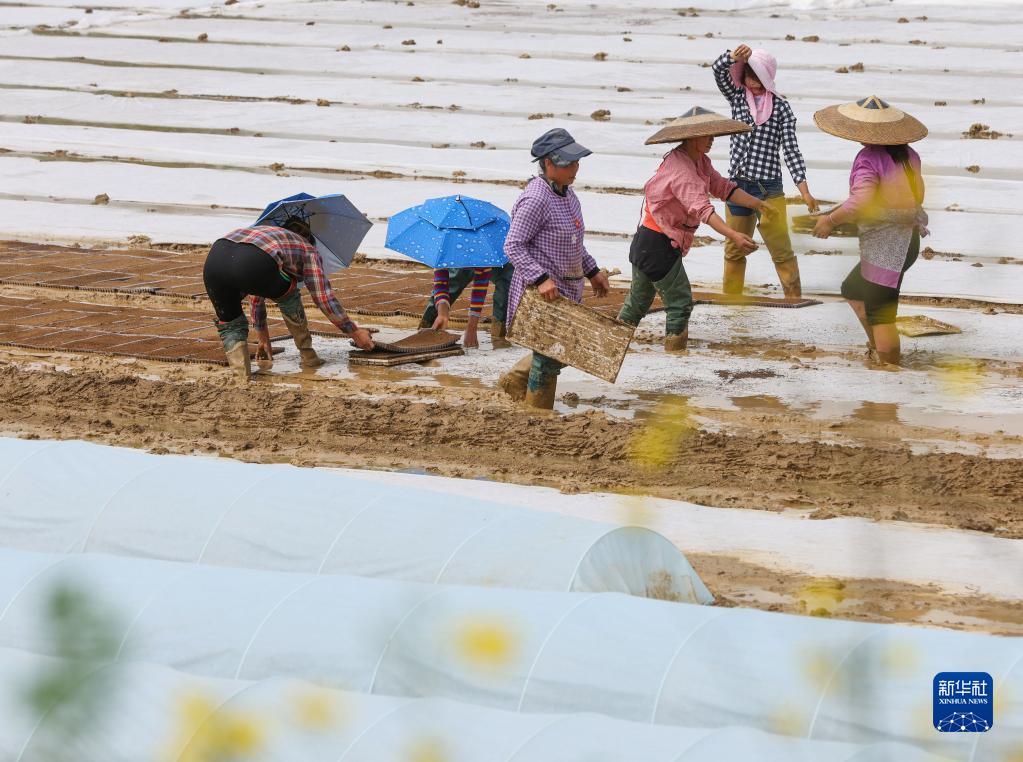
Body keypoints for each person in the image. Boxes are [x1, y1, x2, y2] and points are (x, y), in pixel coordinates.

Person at [619, 107, 775, 351]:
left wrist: (758, 204)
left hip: (649, 241)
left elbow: (723, 187)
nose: (711, 140)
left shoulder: (699, 161)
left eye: (713, 136)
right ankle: (675, 354)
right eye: (707, 136)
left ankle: (614, 343)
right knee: (680, 302)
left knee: (638, 302)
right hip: (657, 243)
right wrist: (733, 235)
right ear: (692, 137)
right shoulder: (682, 170)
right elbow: (704, 210)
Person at [498, 128, 610, 409]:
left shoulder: (568, 195)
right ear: (549, 164)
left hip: (567, 289)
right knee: (551, 352)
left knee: (562, 347)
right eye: (569, 163)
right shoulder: (535, 199)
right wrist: (541, 279)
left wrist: (593, 271)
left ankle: (515, 379)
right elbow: (513, 245)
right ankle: (538, 410)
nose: (576, 168)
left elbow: (574, 242)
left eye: (576, 161)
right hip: (542, 293)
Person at [812, 96, 928, 367]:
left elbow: (862, 201)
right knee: (853, 288)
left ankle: (890, 369)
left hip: (885, 246)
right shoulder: (909, 155)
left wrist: (830, 220)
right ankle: (879, 350)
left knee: (881, 312)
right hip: (908, 241)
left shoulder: (869, 158)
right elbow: (916, 194)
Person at [202, 219, 374, 380]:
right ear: (309, 238)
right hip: (253, 263)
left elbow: (255, 292)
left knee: (231, 323)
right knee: (289, 293)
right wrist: (354, 332)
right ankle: (308, 356)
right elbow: (323, 298)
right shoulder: (307, 248)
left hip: (215, 259)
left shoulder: (265, 232)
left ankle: (241, 377)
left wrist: (262, 338)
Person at [712, 44, 818, 297]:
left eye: (760, 78)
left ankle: (794, 299)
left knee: (781, 249)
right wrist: (732, 57)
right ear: (744, 75)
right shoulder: (737, 98)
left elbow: (791, 151)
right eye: (750, 76)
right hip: (737, 187)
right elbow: (717, 72)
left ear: (769, 78)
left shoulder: (781, 108)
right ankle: (732, 302)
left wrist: (805, 191)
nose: (755, 83)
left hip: (769, 190)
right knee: (734, 250)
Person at [420, 263, 515, 348]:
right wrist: (442, 313)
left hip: (498, 261)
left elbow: (480, 285)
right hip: (462, 257)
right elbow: (441, 281)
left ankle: (499, 333)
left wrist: (472, 327)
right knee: (455, 279)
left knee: (506, 284)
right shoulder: (444, 250)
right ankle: (428, 326)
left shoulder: (483, 252)